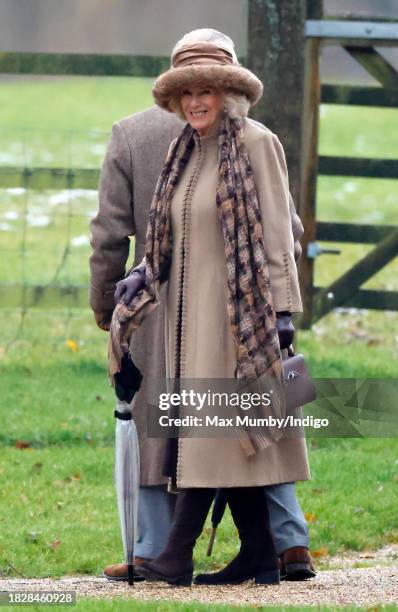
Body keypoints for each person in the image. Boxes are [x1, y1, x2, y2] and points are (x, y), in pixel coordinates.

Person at [108, 28, 313, 587]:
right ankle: (261, 552)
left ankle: (174, 554)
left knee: (212, 431)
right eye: (187, 93)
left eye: (208, 91)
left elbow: (277, 234)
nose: (196, 102)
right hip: (186, 318)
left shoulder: (256, 143)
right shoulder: (186, 151)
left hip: (238, 320)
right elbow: (173, 237)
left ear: (231, 94)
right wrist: (141, 273)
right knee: (222, 438)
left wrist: (281, 311)